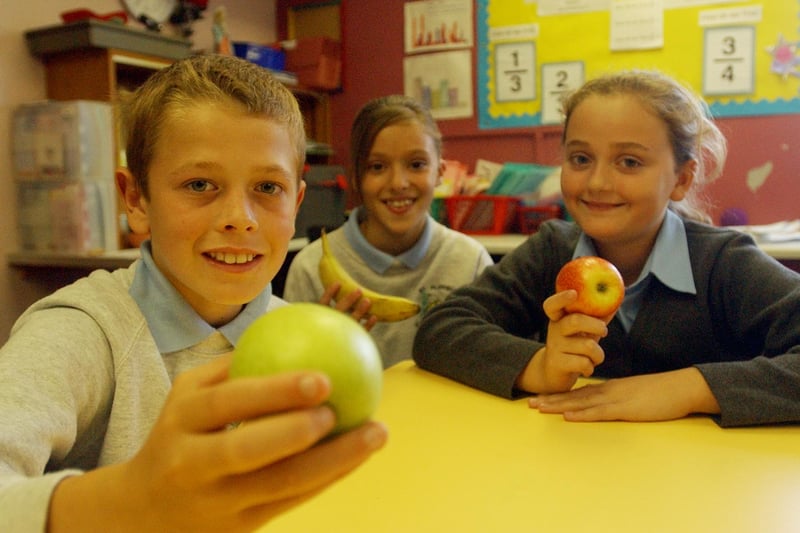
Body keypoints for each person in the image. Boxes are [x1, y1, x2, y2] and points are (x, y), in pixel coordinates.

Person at [0, 54, 387, 533]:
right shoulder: (83, 330)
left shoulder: (297, 336)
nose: (240, 217)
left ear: (296, 204)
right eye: (200, 184)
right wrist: (130, 502)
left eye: (268, 186)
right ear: (136, 199)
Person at [413, 70, 800, 427]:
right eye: (580, 159)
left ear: (681, 179)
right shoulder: (551, 251)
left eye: (629, 162)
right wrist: (541, 367)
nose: (597, 182)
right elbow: (440, 329)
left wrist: (688, 389)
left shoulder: (724, 264)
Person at [283, 95, 493, 367]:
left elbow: (492, 361)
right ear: (356, 178)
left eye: (416, 164)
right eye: (377, 167)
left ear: (440, 173)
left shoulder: (470, 261)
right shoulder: (311, 268)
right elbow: (292, 374)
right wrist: (322, 349)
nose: (398, 183)